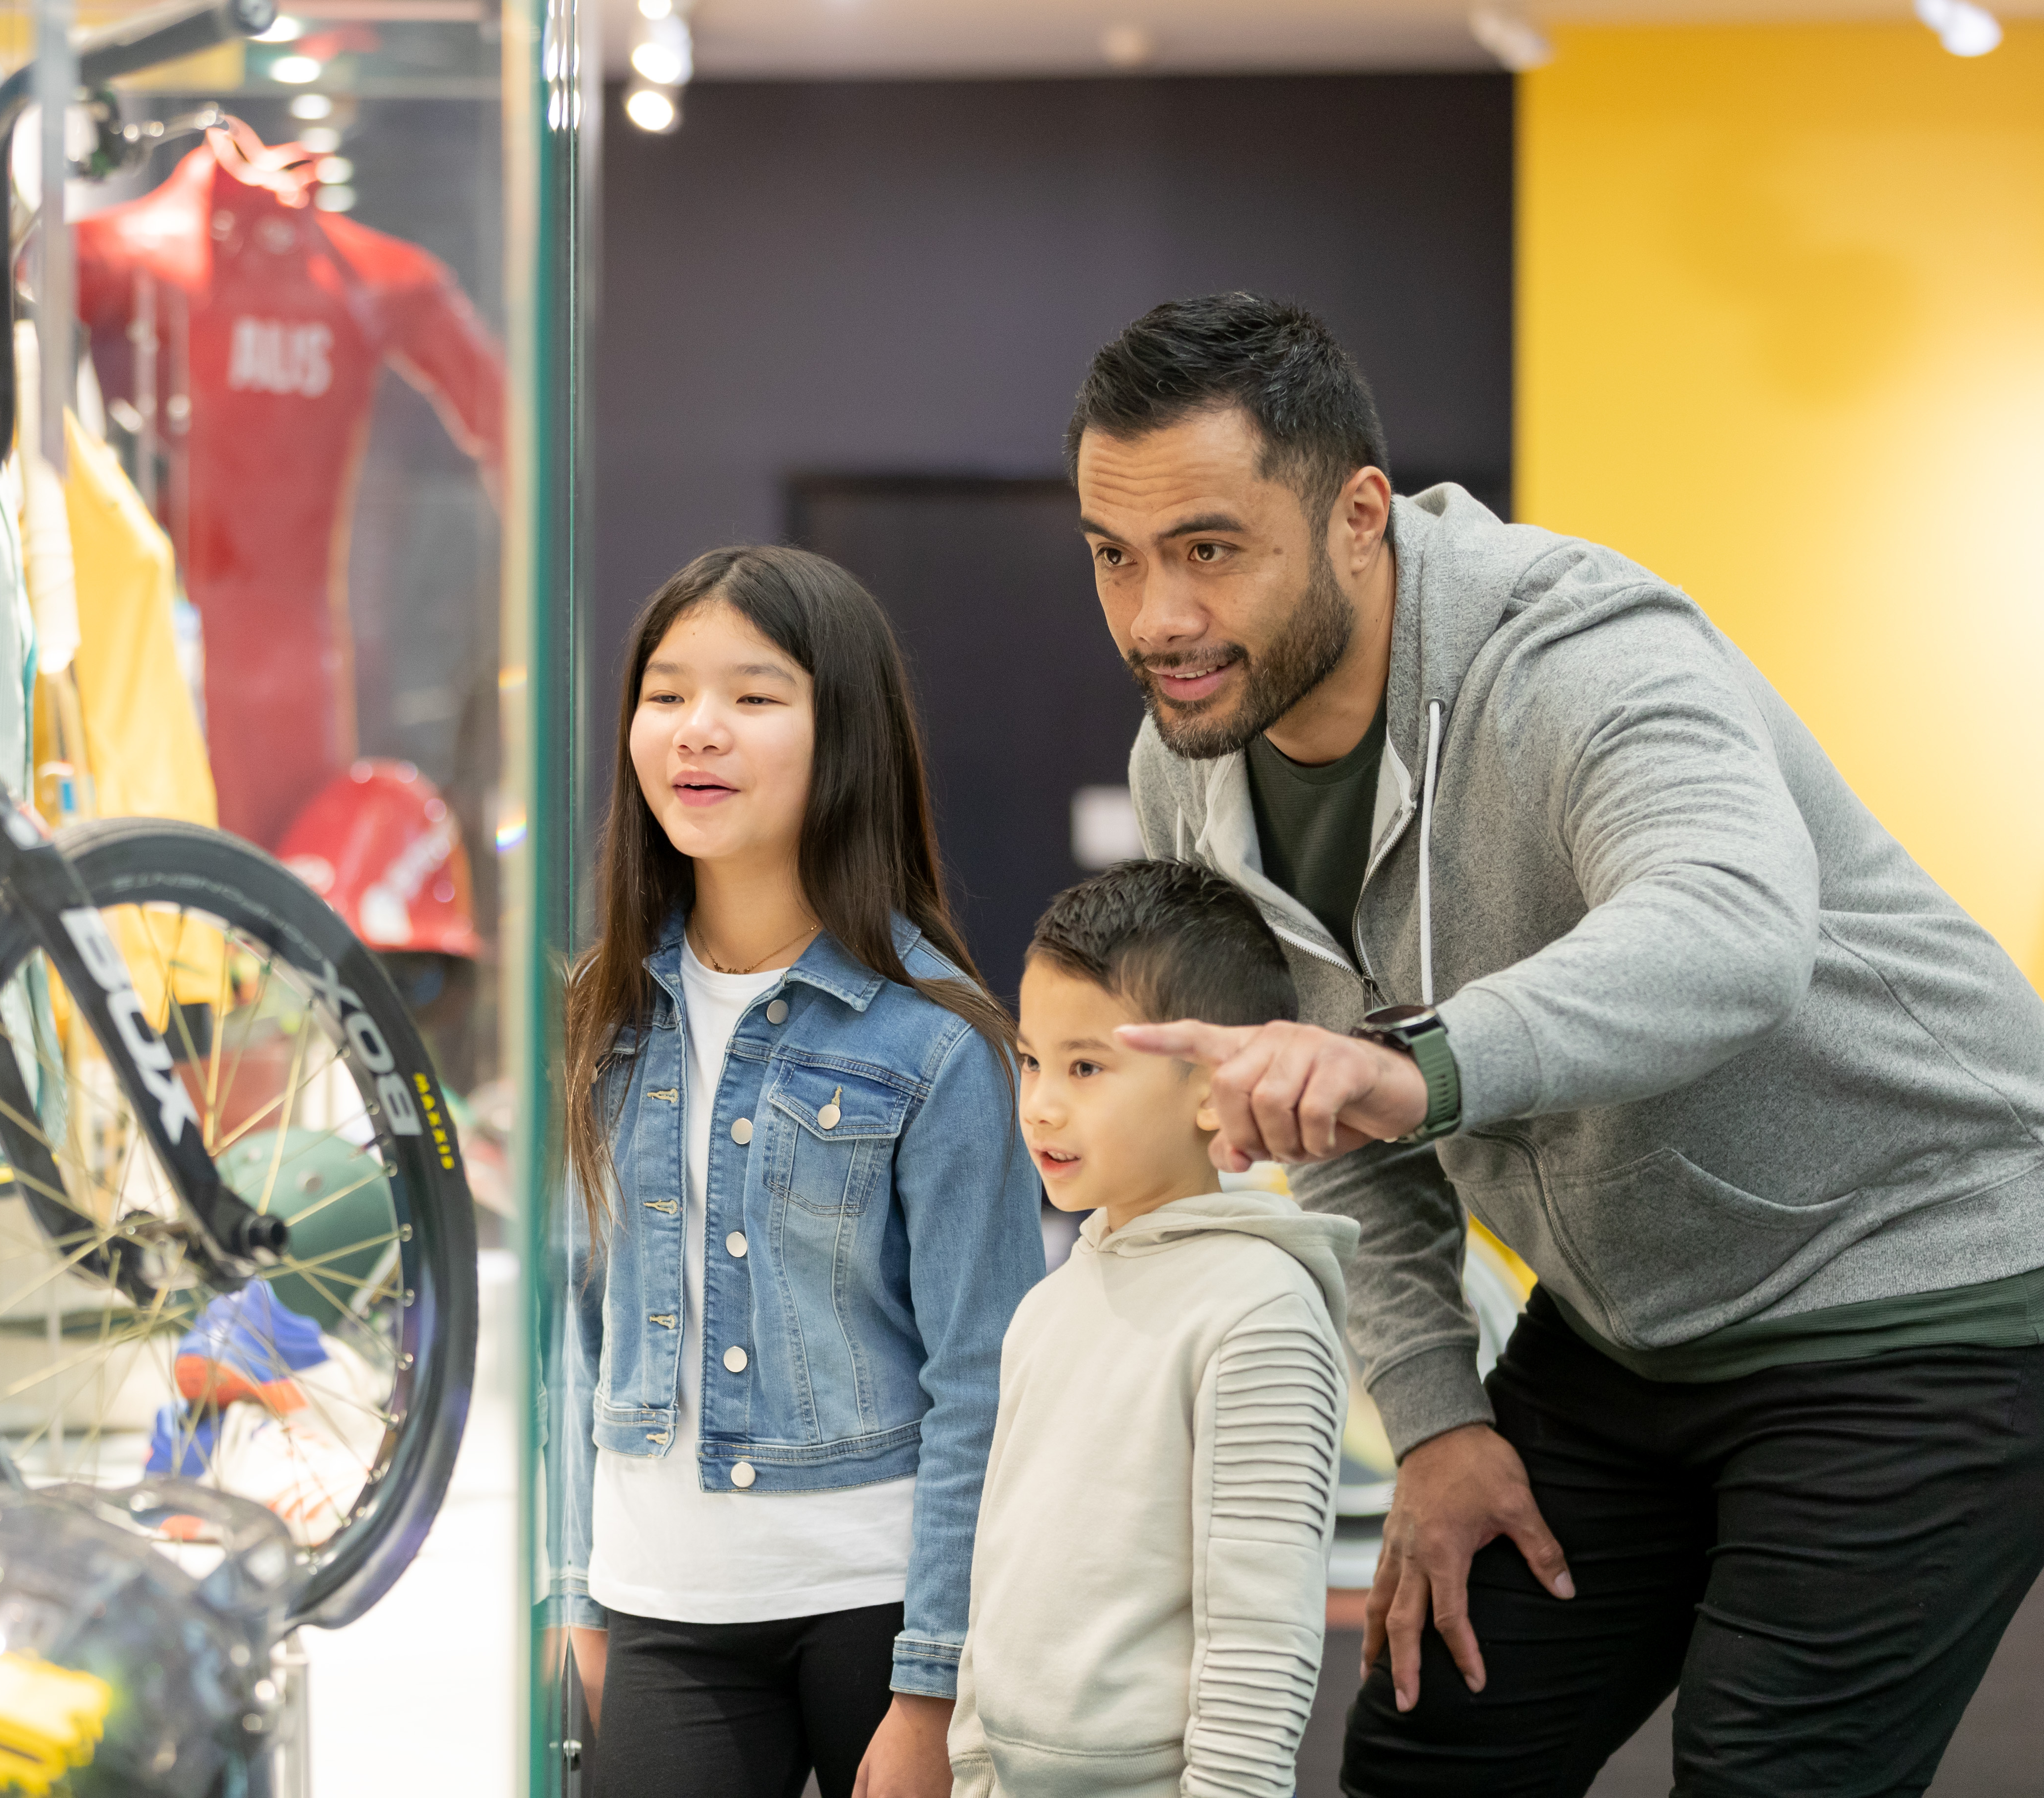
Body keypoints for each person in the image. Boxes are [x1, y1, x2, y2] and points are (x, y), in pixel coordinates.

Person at [1073, 291, 2044, 1796]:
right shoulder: (1190, 770)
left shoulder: (1579, 651)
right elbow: (1330, 1129)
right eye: (1114, 558)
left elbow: (1730, 920)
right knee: (1434, 1751)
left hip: (1917, 1290)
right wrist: (1440, 1420)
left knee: (1765, 1773)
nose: (1158, 621)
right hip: (1621, 1334)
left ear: (1357, 516)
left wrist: (1422, 1064)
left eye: (1210, 550)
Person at [553, 546, 1046, 1798]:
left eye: (753, 697)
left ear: (848, 736)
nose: (696, 732)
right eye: (665, 695)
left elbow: (979, 1379)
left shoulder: (937, 1038)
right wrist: (573, 1592)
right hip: (658, 1601)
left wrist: (934, 1682)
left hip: (878, 1612)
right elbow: (574, 1329)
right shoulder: (598, 1016)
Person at [950, 860, 1353, 1798]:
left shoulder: (1259, 1312)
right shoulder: (1048, 1307)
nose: (1043, 1101)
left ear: (1215, 1088)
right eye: (1034, 1061)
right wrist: (972, 1769)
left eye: (1087, 1066)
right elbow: (996, 1575)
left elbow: (1260, 1642)